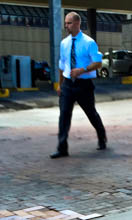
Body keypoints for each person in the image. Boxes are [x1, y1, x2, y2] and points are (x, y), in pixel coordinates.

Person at [51, 11, 107, 159]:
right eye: (65, 23)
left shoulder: (89, 42)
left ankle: (102, 137)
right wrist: (59, 85)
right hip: (67, 85)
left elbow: (98, 63)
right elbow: (62, 65)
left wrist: (82, 70)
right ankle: (62, 148)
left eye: (69, 23)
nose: (66, 26)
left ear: (77, 23)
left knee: (91, 114)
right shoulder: (64, 43)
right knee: (64, 116)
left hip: (84, 85)